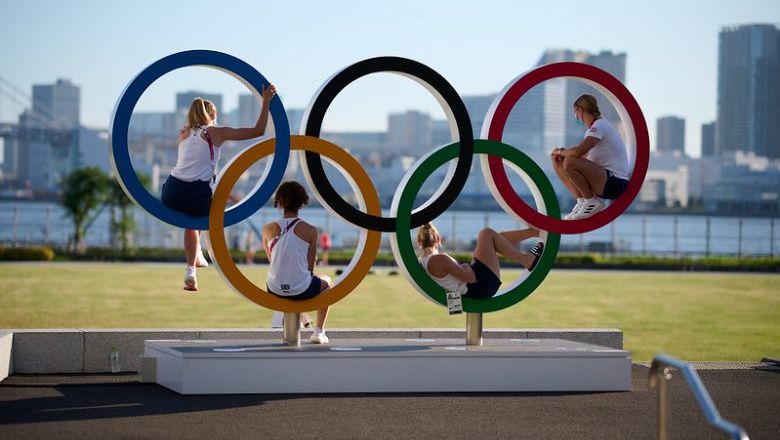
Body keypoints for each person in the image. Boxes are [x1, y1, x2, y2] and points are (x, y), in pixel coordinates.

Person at [160, 84, 276, 291]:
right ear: (213, 114)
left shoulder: (184, 132)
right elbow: (258, 131)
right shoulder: (215, 132)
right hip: (197, 194)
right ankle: (194, 261)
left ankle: (191, 268)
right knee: (198, 214)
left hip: (172, 192)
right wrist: (266, 101)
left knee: (191, 219)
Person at [263, 181, 332, 344]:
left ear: (279, 202)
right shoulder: (310, 230)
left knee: (289, 284)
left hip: (274, 289)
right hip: (301, 289)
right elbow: (310, 267)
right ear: (302, 202)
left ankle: (290, 325)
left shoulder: (267, 228)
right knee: (327, 282)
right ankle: (319, 331)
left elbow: (272, 260)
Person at [551, 94, 630, 220]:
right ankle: (582, 201)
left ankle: (590, 201)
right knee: (560, 161)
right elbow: (581, 155)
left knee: (569, 161)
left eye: (575, 112)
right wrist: (558, 156)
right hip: (605, 180)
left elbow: (577, 152)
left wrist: (560, 151)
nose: (576, 117)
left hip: (616, 183)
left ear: (580, 110)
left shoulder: (600, 125)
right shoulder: (593, 129)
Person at [417, 223, 544, 299]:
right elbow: (470, 277)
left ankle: (534, 232)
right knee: (486, 233)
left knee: (495, 238)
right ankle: (526, 260)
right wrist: (466, 265)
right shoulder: (439, 259)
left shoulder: (423, 261)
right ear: (438, 239)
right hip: (480, 285)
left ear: (419, 242)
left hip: (476, 285)